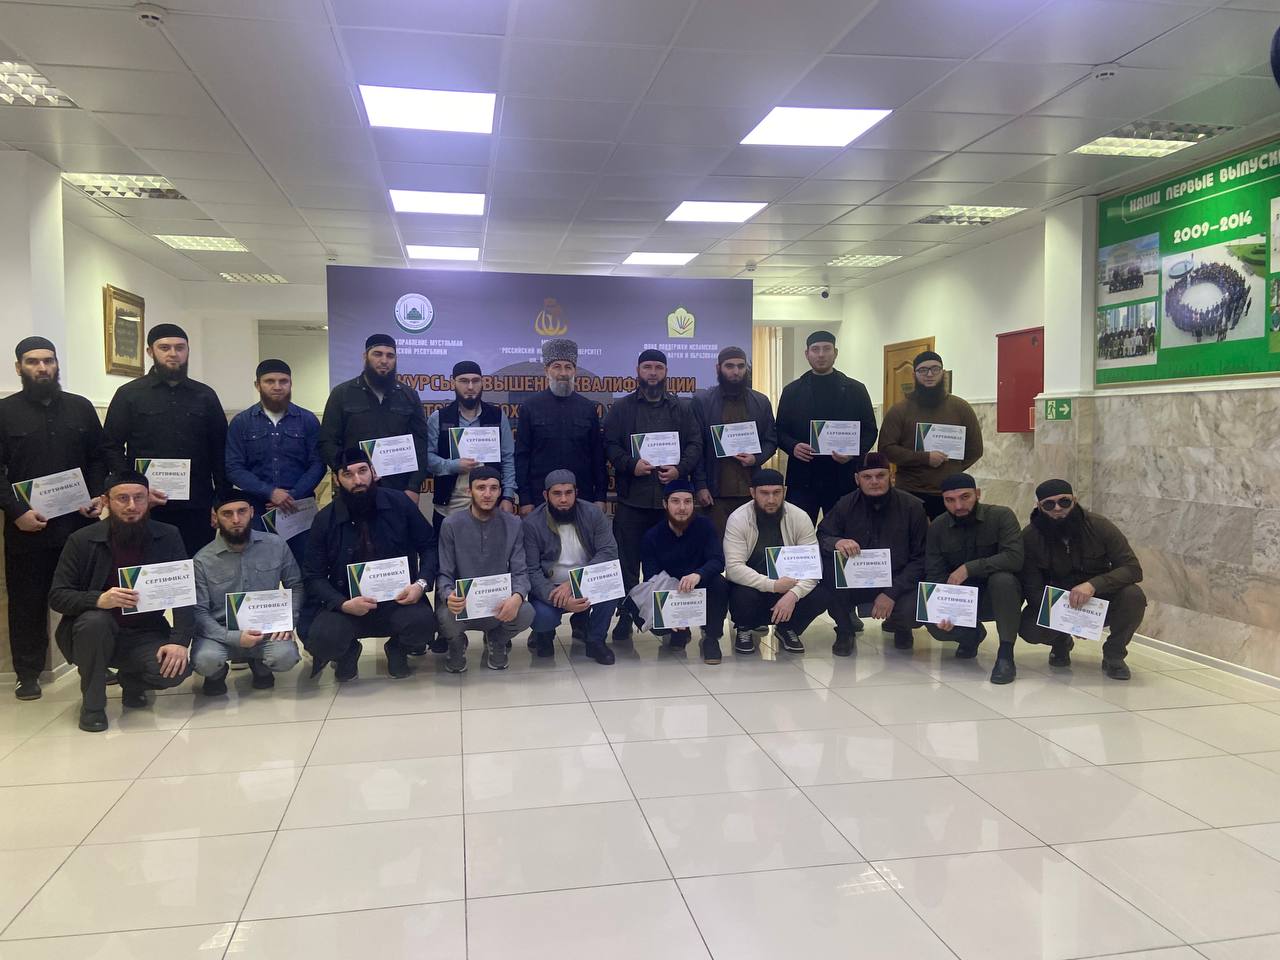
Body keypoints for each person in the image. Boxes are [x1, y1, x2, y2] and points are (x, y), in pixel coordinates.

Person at [0, 336, 109, 700]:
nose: (42, 368)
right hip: (28, 528)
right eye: (33, 362)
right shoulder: (4, 412)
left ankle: (96, 661)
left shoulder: (80, 408)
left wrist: (97, 495)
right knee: (27, 602)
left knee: (89, 597)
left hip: (80, 527)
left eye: (48, 360)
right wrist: (16, 512)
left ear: (57, 364)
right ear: (19, 367)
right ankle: (28, 674)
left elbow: (98, 457)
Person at [48, 470, 193, 733]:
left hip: (145, 632)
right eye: (122, 498)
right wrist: (99, 599)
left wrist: (179, 642)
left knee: (175, 670)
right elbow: (57, 596)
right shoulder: (81, 540)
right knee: (95, 621)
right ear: (106, 501)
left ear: (149, 499)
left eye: (139, 498)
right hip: (93, 635)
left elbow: (184, 594)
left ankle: (132, 679)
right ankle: (93, 705)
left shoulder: (168, 535)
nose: (131, 506)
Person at [300, 448, 437, 681]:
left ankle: (397, 649)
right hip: (348, 604)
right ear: (337, 480)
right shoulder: (325, 519)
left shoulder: (400, 504)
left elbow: (429, 546)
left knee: (424, 624)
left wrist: (420, 584)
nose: (358, 480)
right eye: (348, 474)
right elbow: (313, 576)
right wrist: (342, 603)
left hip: (399, 600)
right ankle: (348, 653)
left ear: (374, 472)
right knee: (322, 639)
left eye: (363, 471)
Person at [102, 323, 228, 556]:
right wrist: (132, 487)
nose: (173, 353)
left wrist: (221, 499)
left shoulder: (205, 395)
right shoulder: (129, 394)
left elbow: (220, 450)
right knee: (147, 564)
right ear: (150, 351)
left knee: (194, 564)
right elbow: (111, 446)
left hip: (196, 503)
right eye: (165, 348)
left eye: (180, 348)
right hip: (145, 504)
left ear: (188, 351)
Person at [603, 348, 701, 642]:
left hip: (670, 503)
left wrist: (680, 469)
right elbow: (609, 445)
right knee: (628, 564)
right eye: (647, 367)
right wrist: (630, 464)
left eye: (658, 367)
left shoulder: (682, 408)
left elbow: (695, 444)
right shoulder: (621, 408)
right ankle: (627, 614)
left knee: (672, 563)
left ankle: (674, 619)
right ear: (638, 370)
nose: (653, 373)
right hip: (632, 499)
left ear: (666, 371)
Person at [1018, 479, 1146, 680]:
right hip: (1057, 604)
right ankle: (1060, 642)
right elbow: (1032, 589)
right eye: (1049, 504)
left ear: (1074, 500)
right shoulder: (1030, 537)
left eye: (1064, 501)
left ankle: (1114, 655)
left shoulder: (1099, 526)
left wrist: (1093, 585)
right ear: (1039, 507)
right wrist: (1070, 621)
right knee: (1029, 629)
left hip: (1098, 600)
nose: (1058, 508)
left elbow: (1132, 569)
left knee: (1133, 596)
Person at [191, 491, 303, 696]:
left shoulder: (276, 545)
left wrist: (289, 621)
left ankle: (261, 665)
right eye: (227, 514)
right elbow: (199, 611)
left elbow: (295, 585)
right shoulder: (202, 560)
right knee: (205, 661)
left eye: (241, 511)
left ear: (251, 512)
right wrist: (232, 637)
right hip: (220, 632)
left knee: (285, 657)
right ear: (215, 517)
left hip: (267, 628)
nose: (236, 519)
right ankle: (216, 673)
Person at [818, 452, 927, 655]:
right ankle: (845, 630)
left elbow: (921, 558)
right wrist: (838, 542)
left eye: (880, 475)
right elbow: (823, 534)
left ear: (891, 476)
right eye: (867, 477)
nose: (874, 481)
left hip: (898, 580)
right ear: (857, 479)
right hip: (857, 578)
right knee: (828, 567)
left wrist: (891, 593)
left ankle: (901, 626)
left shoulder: (913, 507)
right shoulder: (845, 504)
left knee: (910, 609)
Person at [923, 473, 1024, 684]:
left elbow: (1014, 558)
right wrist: (943, 610)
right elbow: (935, 573)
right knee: (934, 625)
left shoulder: (1001, 516)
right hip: (961, 600)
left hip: (997, 598)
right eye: (950, 500)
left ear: (977, 494)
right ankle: (971, 635)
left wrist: (969, 568)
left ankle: (1006, 654)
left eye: (965, 497)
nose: (958, 505)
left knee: (1003, 580)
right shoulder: (938, 527)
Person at [224, 359, 325, 564]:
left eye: (283, 381)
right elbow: (233, 467)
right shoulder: (242, 422)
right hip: (257, 510)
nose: (277, 387)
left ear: (291, 384)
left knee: (305, 566)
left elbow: (318, 463)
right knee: (260, 566)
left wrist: (292, 495)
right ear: (257, 385)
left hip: (299, 509)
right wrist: (270, 492)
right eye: (269, 381)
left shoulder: (307, 420)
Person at [437, 466, 534, 673]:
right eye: (481, 488)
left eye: (493, 488)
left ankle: (497, 640)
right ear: (469, 491)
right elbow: (444, 573)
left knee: (526, 612)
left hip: (498, 605)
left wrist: (517, 597)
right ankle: (457, 644)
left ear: (500, 492)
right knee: (444, 615)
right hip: (463, 606)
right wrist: (448, 595)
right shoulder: (451, 524)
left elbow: (520, 571)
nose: (487, 494)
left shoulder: (513, 524)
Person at [775, 330, 878, 524]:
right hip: (803, 478)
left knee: (844, 531)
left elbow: (870, 430)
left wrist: (853, 452)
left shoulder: (856, 390)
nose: (821, 354)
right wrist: (793, 446)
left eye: (826, 349)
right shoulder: (792, 391)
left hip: (843, 477)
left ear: (835, 353)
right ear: (807, 354)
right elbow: (779, 430)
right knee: (798, 532)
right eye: (815, 349)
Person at [723, 469, 829, 655]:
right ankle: (744, 627)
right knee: (741, 594)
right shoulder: (738, 518)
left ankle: (788, 628)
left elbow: (813, 567)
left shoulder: (800, 517)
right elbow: (734, 568)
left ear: (784, 491)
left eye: (776, 492)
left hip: (788, 586)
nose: (771, 499)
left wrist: (793, 594)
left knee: (822, 594)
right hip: (754, 587)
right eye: (764, 493)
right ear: (753, 493)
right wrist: (772, 585)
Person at [522, 469, 619, 665]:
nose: (564, 499)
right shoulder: (532, 523)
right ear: (546, 495)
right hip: (551, 587)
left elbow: (608, 552)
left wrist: (573, 584)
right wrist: (560, 598)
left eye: (568, 493)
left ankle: (596, 640)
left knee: (611, 587)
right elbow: (531, 571)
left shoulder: (593, 513)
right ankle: (544, 635)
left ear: (576, 493)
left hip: (587, 580)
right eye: (557, 494)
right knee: (542, 617)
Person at [318, 333, 430, 502]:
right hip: (355, 487)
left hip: (399, 490)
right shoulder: (342, 394)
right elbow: (327, 441)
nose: (384, 360)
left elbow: (420, 444)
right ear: (365, 356)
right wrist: (345, 470)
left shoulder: (409, 395)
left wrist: (414, 487)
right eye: (377, 354)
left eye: (390, 356)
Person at [878, 350, 983, 520]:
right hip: (909, 492)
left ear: (943, 372)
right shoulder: (899, 410)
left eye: (935, 369)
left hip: (950, 493)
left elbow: (975, 449)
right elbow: (886, 449)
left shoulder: (961, 408)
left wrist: (952, 468)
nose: (929, 374)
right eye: (923, 370)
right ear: (914, 374)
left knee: (949, 536)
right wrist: (925, 458)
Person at [640, 479, 729, 664]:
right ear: (665, 504)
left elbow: (718, 560)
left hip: (700, 583)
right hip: (670, 590)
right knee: (657, 623)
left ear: (693, 504)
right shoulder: (652, 536)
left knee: (719, 584)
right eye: (675, 501)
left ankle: (711, 638)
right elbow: (651, 577)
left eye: (687, 502)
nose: (682, 508)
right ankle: (678, 631)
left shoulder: (705, 526)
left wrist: (698, 574)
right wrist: (670, 612)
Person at [692, 346, 778, 536]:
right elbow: (697, 447)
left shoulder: (761, 401)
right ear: (718, 368)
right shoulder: (702, 402)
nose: (736, 371)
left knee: (751, 542)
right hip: (715, 492)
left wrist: (756, 458)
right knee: (717, 544)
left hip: (751, 490)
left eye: (740, 366)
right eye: (729, 366)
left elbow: (771, 440)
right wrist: (701, 485)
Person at [515, 338, 607, 514]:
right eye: (557, 367)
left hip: (582, 498)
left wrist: (600, 496)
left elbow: (597, 456)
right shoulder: (530, 407)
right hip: (540, 499)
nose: (563, 373)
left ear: (574, 371)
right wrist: (525, 499)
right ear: (546, 371)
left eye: (568, 367)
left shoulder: (588, 408)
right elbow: (522, 457)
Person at [427, 360, 516, 527]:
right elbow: (427, 458)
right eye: (464, 381)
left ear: (482, 383)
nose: (470, 387)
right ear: (453, 383)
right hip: (449, 508)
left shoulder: (497, 416)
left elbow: (508, 458)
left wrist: (508, 496)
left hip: (490, 506)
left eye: (475, 381)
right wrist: (453, 465)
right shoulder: (439, 418)